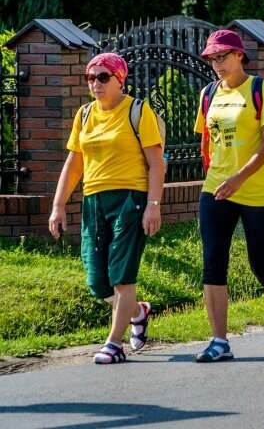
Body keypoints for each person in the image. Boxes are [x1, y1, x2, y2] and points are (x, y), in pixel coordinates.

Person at [49, 53, 163, 364]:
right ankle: (138, 312)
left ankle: (114, 344)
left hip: (131, 198)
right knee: (97, 280)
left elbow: (156, 163)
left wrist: (153, 205)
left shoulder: (138, 111)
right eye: (90, 78)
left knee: (121, 276)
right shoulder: (84, 114)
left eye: (102, 77)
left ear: (119, 79)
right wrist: (58, 205)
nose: (95, 83)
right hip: (93, 200)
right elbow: (74, 164)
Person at [194, 30, 264, 362]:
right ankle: (219, 341)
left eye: (222, 56)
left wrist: (239, 177)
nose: (217, 63)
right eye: (212, 58)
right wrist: (215, 176)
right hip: (217, 188)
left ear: (239, 56)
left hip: (260, 190)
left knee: (261, 265)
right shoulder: (208, 93)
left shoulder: (260, 89)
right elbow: (206, 140)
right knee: (213, 263)